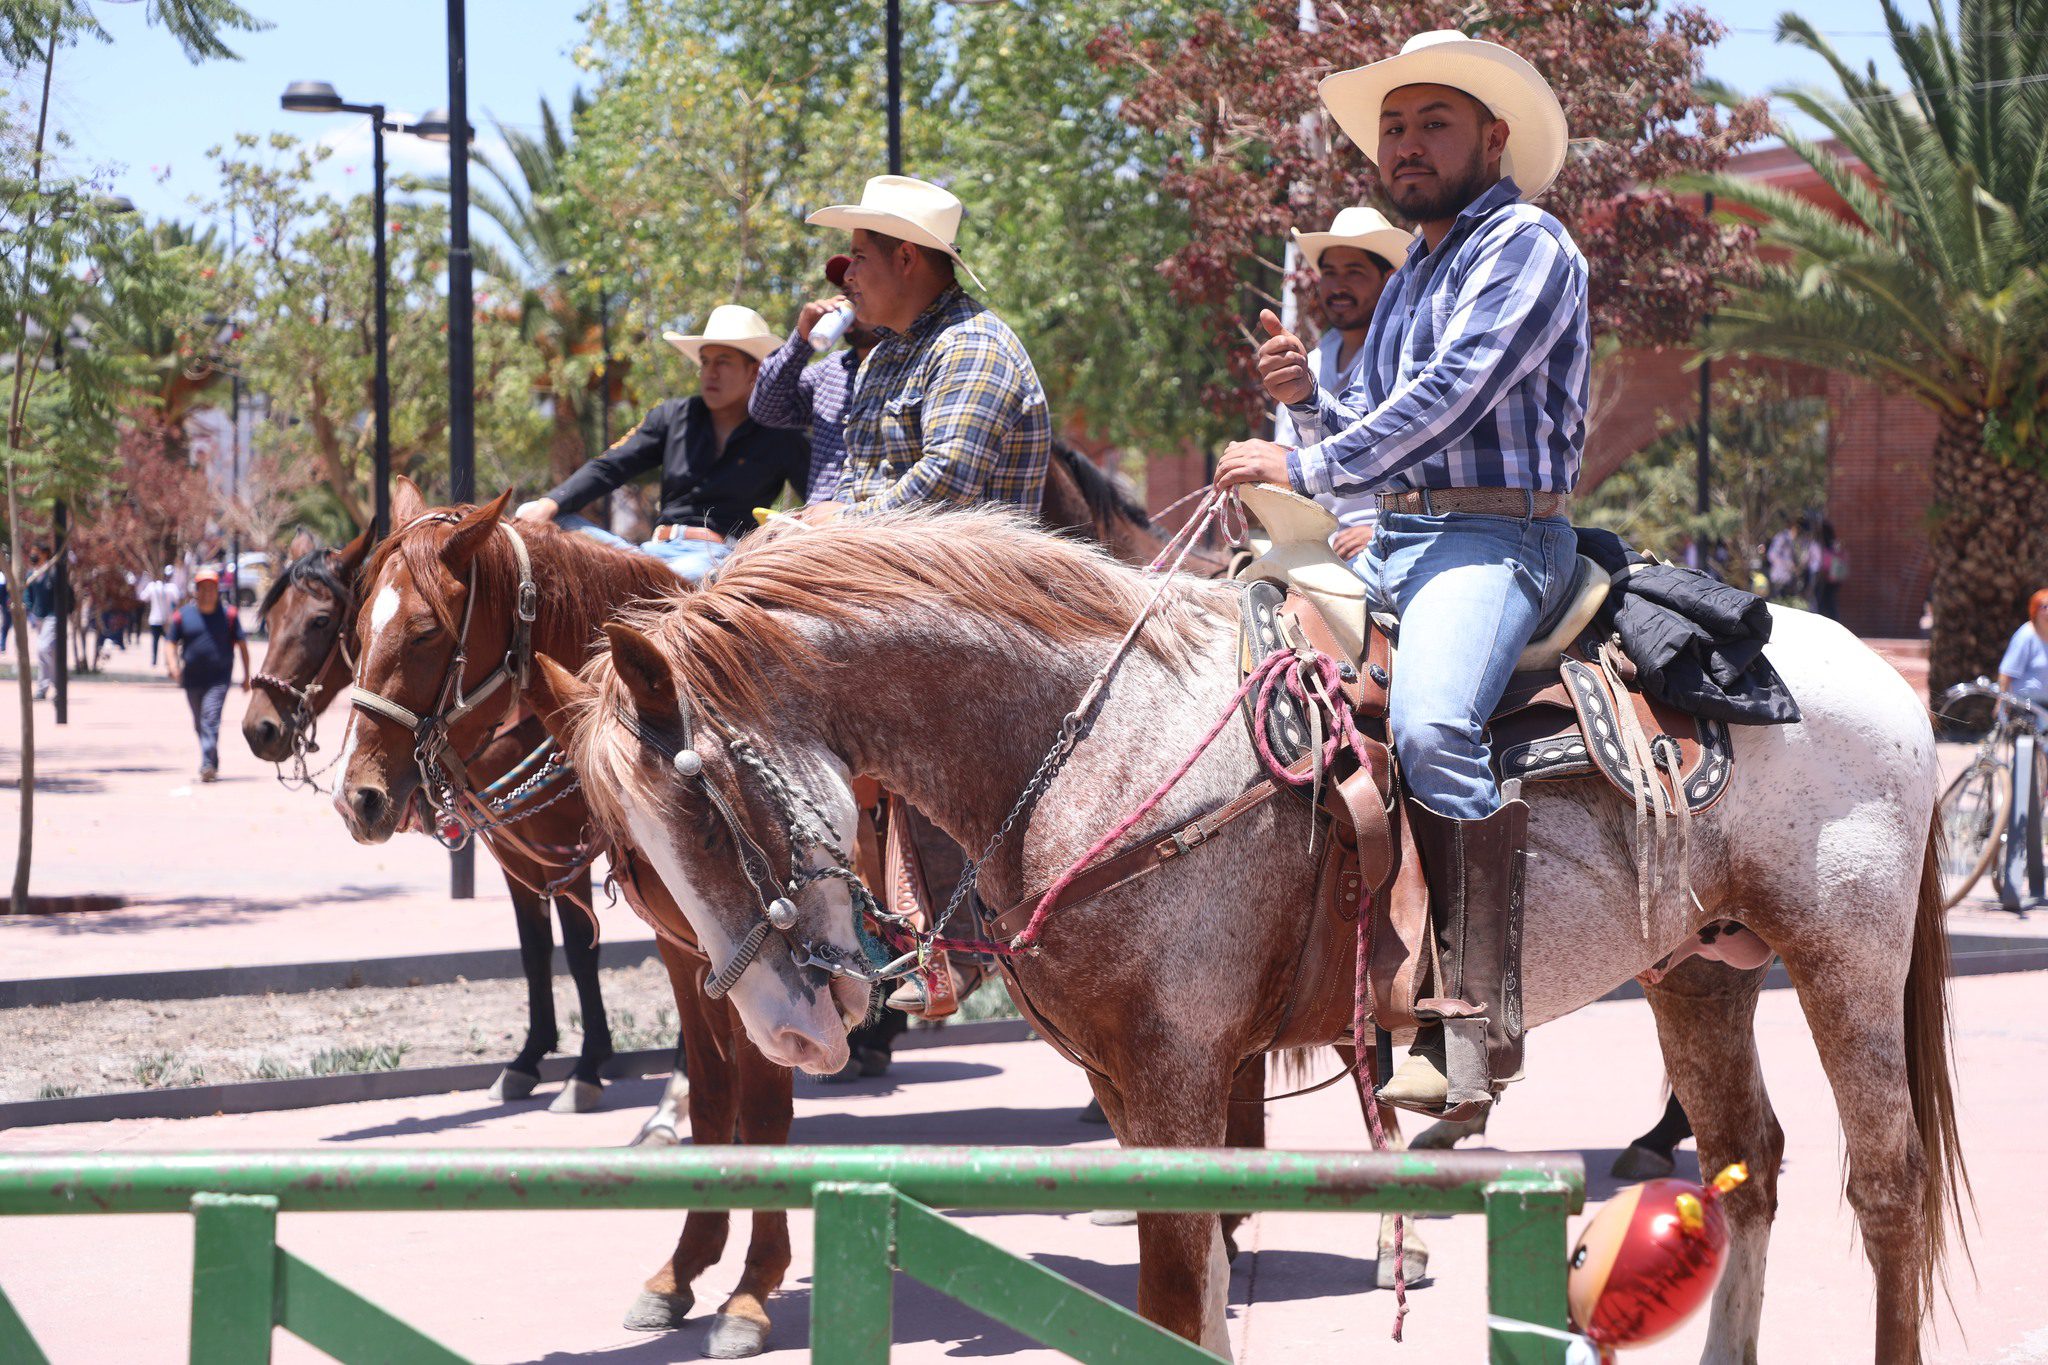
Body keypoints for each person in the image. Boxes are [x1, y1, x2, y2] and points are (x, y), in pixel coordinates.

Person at [1219, 29, 1589, 1115]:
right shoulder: (1421, 261)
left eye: (1433, 124)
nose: (1407, 145)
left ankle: (1474, 1021)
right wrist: (1302, 402)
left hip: (1492, 539)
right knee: (1235, 672)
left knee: (1428, 728)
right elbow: (1374, 417)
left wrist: (1306, 458)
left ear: (1492, 136)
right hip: (1392, 540)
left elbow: (1456, 395)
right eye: (1393, 127)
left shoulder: (1525, 244)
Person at [800, 174, 1051, 519]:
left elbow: (947, 485)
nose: (849, 276)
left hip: (959, 573)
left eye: (859, 257)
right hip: (886, 565)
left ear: (905, 258)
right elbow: (857, 476)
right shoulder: (880, 358)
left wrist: (840, 522)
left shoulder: (972, 347)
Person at [513, 305, 809, 581]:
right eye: (705, 362)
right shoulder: (671, 417)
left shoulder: (781, 434)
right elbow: (609, 467)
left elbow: (818, 503)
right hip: (647, 555)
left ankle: (642, 584)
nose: (710, 373)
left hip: (717, 563)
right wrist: (549, 503)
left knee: (671, 579)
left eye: (723, 362)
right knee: (547, 520)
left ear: (754, 372)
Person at [1285, 207, 1414, 565]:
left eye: (1354, 272)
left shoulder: (1410, 360)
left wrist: (1381, 530)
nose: (1338, 286)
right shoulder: (1309, 364)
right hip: (1315, 546)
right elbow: (1289, 456)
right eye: (1330, 273)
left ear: (1388, 281)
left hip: (1393, 544)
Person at [750, 255, 882, 506]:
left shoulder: (914, 364)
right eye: (845, 292)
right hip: (817, 526)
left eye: (859, 293)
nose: (850, 300)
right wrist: (800, 340)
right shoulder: (831, 369)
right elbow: (765, 409)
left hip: (872, 527)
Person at [165, 567, 250, 783]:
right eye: (203, 588)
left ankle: (206, 764)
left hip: (219, 679)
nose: (208, 592)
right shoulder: (183, 616)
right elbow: (170, 643)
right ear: (196, 590)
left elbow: (242, 645)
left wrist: (247, 676)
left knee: (210, 719)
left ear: (218, 590)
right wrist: (173, 666)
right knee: (199, 723)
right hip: (191, 679)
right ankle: (212, 757)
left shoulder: (228, 615)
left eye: (212, 588)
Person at [21, 544, 59, 701]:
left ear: (45, 553)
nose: (33, 555)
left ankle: (57, 686)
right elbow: (27, 594)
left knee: (43, 649)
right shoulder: (32, 574)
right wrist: (29, 608)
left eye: (36, 552)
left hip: (53, 616)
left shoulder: (53, 573)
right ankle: (45, 688)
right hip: (38, 618)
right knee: (48, 653)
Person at [140, 566, 178, 666]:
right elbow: (177, 600)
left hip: (157, 619)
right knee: (167, 641)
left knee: (156, 642)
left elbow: (142, 597)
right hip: (163, 620)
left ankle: (155, 661)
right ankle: (166, 660)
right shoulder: (171, 588)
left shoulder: (153, 586)